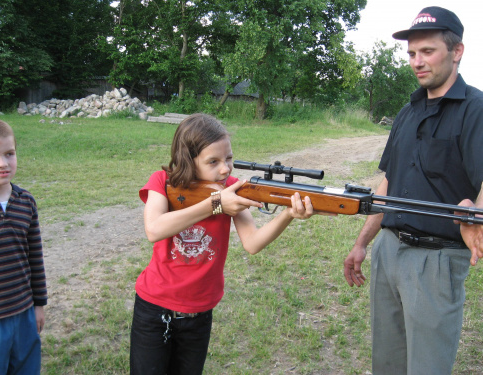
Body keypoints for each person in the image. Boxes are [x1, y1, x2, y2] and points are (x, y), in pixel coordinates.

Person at [130, 113, 328, 374]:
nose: (225, 169)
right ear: (188, 159)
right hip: (154, 309)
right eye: (213, 161)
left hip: (200, 312)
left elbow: (253, 243)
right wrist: (216, 204)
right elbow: (154, 229)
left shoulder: (232, 188)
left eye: (229, 159)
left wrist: (288, 214)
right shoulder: (162, 181)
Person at [343, 6, 483, 375]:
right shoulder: (408, 112)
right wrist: (362, 243)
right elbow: (388, 184)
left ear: (457, 52)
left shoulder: (475, 110)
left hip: (435, 261)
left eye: (427, 51)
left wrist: (475, 211)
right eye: (411, 53)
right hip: (389, 251)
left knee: (426, 368)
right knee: (386, 363)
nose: (417, 62)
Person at [0, 118, 47, 374]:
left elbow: (35, 257)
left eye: (9, 154)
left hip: (23, 312)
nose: (2, 163)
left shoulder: (26, 202)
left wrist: (39, 305)